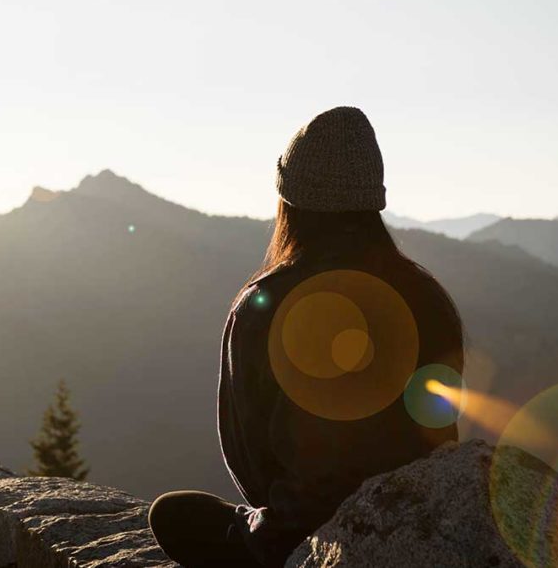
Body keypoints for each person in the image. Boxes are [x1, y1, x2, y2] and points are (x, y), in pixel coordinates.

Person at [147, 106, 465, 567]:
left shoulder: (265, 303)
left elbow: (247, 451)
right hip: (418, 522)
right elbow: (441, 428)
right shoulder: (428, 299)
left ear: (289, 201)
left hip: (302, 542)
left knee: (174, 514)